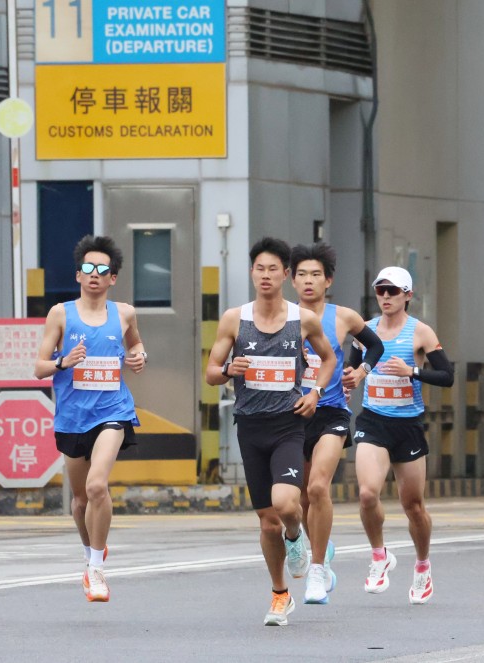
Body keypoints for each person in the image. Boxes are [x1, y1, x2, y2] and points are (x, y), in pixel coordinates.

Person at [205, 237, 336, 626]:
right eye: (259, 268)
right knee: (266, 521)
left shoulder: (302, 319)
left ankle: (296, 535)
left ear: (285, 275)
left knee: (285, 504)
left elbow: (328, 359)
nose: (265, 275)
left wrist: (315, 391)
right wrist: (229, 370)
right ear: (252, 273)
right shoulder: (234, 319)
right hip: (250, 427)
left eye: (273, 269)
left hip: (288, 425)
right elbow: (211, 372)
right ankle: (280, 595)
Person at [34, 235, 147, 603]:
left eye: (102, 270)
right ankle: (90, 552)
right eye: (88, 268)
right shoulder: (60, 314)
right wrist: (63, 362)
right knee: (81, 499)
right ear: (78, 274)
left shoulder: (125, 312)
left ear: (112, 278)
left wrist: (139, 357)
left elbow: (136, 345)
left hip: (112, 411)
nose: (94, 275)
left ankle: (96, 569)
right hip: (72, 417)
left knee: (98, 486)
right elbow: (39, 367)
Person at [343, 266, 454, 605]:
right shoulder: (366, 331)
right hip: (373, 421)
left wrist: (413, 372)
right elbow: (351, 369)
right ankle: (379, 555)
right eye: (381, 291)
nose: (386, 297)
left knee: (413, 505)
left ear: (408, 295)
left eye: (393, 291)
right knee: (366, 494)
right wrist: (347, 382)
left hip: (408, 425)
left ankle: (422, 565)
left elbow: (447, 375)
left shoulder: (420, 332)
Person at [290, 242, 385, 605]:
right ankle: (320, 547)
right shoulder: (280, 317)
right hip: (292, 412)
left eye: (316, 275)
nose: (309, 281)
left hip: (331, 412)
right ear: (292, 280)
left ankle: (317, 572)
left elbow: (374, 346)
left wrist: (361, 371)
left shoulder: (342, 317)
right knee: (298, 497)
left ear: (328, 280)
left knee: (317, 488)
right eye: (302, 275)